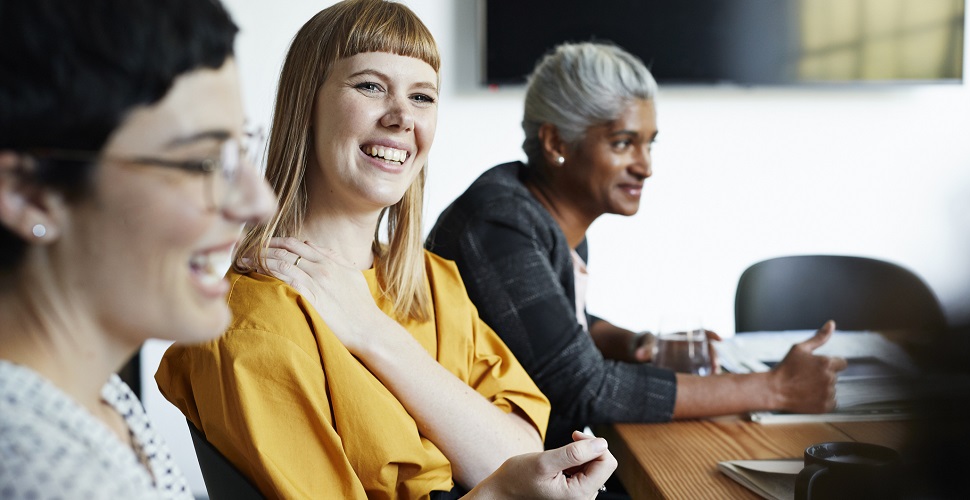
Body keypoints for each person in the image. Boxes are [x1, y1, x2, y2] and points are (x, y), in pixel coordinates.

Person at [155, 1, 615, 498]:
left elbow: (522, 453)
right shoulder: (251, 324)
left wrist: (374, 333)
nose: (401, 118)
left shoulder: (436, 282)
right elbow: (515, 480)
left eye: (422, 96)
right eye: (370, 86)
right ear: (305, 104)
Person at [426, 42, 848, 450]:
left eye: (649, 143)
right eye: (623, 143)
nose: (645, 166)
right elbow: (583, 388)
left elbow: (554, 329)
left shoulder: (541, 215)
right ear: (556, 143)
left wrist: (638, 344)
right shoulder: (499, 224)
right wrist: (773, 387)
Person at [0, 0, 277, 497]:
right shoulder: (40, 472)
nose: (260, 202)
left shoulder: (97, 397)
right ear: (30, 194)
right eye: (200, 164)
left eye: (240, 151)